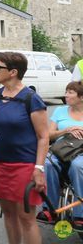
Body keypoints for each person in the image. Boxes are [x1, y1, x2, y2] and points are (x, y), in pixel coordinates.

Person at [0, 52, 49, 244]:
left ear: (13, 72)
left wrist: (39, 168)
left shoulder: (31, 99)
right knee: (9, 215)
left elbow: (43, 137)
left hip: (24, 166)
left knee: (26, 218)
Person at [39, 81, 83, 228]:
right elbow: (49, 135)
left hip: (80, 151)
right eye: (66, 91)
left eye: (70, 92)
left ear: (81, 97)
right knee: (48, 163)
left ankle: (80, 215)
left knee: (77, 165)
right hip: (62, 149)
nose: (66, 95)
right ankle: (49, 209)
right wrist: (66, 130)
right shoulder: (59, 111)